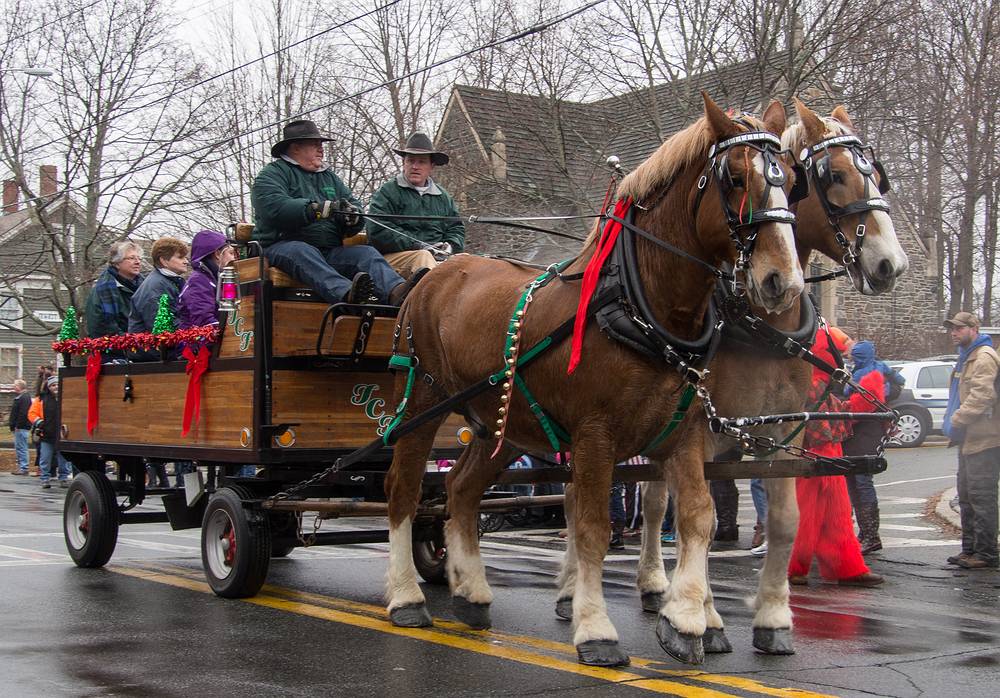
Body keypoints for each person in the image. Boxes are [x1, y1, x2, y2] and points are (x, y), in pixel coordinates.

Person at [251, 119, 420, 306]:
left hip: (328, 252)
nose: (321, 149)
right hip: (283, 247)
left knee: (366, 253)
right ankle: (348, 293)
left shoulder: (329, 178)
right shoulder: (272, 175)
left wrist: (352, 217)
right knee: (301, 251)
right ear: (295, 147)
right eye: (314, 144)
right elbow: (275, 207)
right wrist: (314, 209)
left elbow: (353, 204)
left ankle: (398, 293)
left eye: (321, 145)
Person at [787, 327, 884, 587]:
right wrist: (863, 398)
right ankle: (796, 566)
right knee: (808, 513)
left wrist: (865, 400)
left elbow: (838, 412)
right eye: (841, 353)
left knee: (836, 514)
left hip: (829, 454)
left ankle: (843, 566)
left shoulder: (821, 382)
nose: (845, 359)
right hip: (811, 455)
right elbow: (827, 413)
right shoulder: (810, 382)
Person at [942, 311, 1000, 570]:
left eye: (959, 328)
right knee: (965, 496)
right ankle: (969, 549)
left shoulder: (984, 357)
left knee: (981, 496)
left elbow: (982, 395)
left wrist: (957, 419)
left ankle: (986, 553)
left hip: (985, 439)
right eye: (952, 329)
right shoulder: (966, 356)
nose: (954, 333)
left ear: (973, 329)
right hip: (968, 439)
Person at [366, 132, 465, 278]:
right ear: (403, 163)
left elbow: (456, 228)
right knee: (423, 258)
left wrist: (449, 246)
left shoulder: (443, 197)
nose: (415, 166)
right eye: (410, 161)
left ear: (431, 166)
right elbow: (377, 230)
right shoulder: (388, 191)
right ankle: (431, 300)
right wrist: (417, 245)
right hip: (393, 258)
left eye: (421, 162)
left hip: (438, 257)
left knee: (469, 262)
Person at [842, 340, 902, 554]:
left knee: (861, 480)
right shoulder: (880, 368)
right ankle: (866, 532)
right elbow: (898, 381)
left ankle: (871, 535)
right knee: (855, 479)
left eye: (854, 356)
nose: (851, 359)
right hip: (863, 431)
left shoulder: (862, 376)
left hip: (865, 430)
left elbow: (852, 395)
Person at [128, 236, 190, 334]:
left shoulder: (170, 281)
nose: (186, 261)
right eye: (180, 257)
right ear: (164, 261)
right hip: (153, 348)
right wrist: (193, 330)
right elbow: (162, 328)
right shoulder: (156, 287)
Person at [177, 230, 236, 330]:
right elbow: (204, 322)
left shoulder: (216, 278)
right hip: (197, 344)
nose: (234, 258)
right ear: (218, 254)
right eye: (231, 253)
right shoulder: (198, 281)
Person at [85, 240, 145, 338]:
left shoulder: (145, 285)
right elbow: (100, 328)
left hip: (145, 346)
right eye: (131, 258)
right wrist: (133, 345)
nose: (137, 262)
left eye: (139, 258)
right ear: (117, 263)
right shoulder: (103, 290)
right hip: (117, 348)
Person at [28, 376, 73, 489]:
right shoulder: (41, 399)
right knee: (45, 458)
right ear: (48, 387)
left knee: (63, 459)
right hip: (46, 434)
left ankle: (63, 478)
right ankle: (45, 479)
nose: (56, 387)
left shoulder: (66, 397)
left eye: (57, 384)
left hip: (62, 435)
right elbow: (32, 413)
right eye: (53, 385)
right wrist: (39, 423)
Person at [7, 379, 31, 475]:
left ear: (20, 386)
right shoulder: (20, 397)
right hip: (19, 427)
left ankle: (24, 467)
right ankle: (21, 466)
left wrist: (18, 425)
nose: (14, 387)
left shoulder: (24, 397)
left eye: (15, 385)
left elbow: (23, 413)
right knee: (19, 447)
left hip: (21, 427)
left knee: (22, 447)